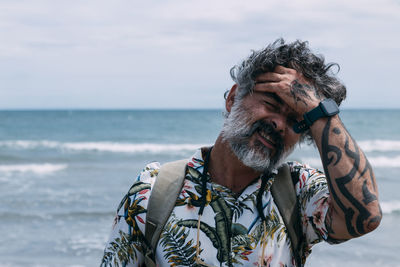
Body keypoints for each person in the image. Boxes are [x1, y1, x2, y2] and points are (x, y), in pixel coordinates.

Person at [100, 39, 381, 267]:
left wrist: (319, 112)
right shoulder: (154, 190)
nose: (279, 123)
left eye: (297, 118)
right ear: (234, 98)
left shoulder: (299, 192)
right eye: (272, 102)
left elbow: (364, 217)